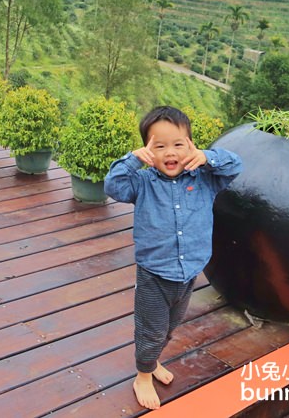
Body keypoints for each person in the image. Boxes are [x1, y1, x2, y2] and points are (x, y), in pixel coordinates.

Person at [103, 106, 242, 410]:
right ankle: (142, 375)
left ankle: (152, 363)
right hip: (154, 274)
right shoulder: (142, 183)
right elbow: (112, 186)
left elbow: (235, 165)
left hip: (189, 272)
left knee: (169, 328)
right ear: (147, 150)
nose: (170, 152)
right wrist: (133, 159)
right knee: (151, 329)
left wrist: (208, 157)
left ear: (191, 145)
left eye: (179, 144)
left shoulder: (206, 179)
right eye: (159, 146)